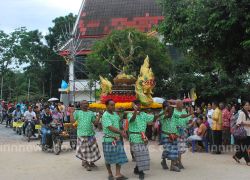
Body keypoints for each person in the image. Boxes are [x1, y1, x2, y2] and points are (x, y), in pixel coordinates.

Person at [127, 100, 159, 180]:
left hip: (143, 137)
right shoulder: (129, 114)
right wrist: (135, 111)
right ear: (133, 106)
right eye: (137, 105)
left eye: (139, 105)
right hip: (134, 136)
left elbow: (153, 119)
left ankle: (137, 169)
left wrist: (157, 114)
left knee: (144, 155)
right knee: (138, 154)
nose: (139, 106)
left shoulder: (143, 114)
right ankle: (141, 172)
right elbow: (132, 120)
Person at [102, 99, 128, 180]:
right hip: (108, 140)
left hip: (117, 140)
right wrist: (121, 132)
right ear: (107, 106)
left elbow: (118, 120)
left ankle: (118, 174)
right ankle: (110, 173)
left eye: (114, 105)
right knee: (108, 158)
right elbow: (110, 127)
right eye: (111, 105)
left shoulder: (115, 114)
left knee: (119, 157)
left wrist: (122, 113)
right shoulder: (105, 115)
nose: (113, 106)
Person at [74, 100, 102, 171]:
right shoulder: (77, 112)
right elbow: (72, 121)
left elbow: (95, 123)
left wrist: (99, 116)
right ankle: (85, 163)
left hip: (91, 134)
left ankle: (91, 162)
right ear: (80, 105)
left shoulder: (91, 113)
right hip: (81, 134)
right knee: (84, 150)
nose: (86, 104)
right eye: (84, 103)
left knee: (92, 148)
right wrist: (71, 113)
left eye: (87, 103)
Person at [160, 101, 180, 172]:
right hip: (166, 135)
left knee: (174, 150)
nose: (170, 107)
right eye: (168, 106)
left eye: (170, 106)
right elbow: (168, 116)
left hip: (174, 134)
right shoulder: (161, 113)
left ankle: (172, 166)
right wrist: (171, 109)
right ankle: (163, 160)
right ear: (164, 107)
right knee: (167, 150)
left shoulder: (173, 112)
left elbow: (175, 116)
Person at [173, 100, 193, 169]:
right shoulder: (174, 111)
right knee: (178, 147)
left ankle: (177, 161)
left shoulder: (184, 111)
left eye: (182, 104)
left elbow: (187, 121)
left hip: (183, 132)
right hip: (176, 132)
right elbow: (182, 116)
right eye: (181, 104)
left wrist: (190, 121)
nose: (182, 105)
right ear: (177, 105)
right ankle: (178, 162)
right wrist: (189, 114)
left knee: (182, 148)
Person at [233, 101, 250, 166]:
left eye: (248, 105)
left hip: (249, 133)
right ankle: (248, 161)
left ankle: (237, 156)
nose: (247, 106)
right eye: (246, 105)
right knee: (245, 148)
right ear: (243, 106)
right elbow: (238, 122)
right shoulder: (241, 113)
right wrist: (247, 123)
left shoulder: (248, 113)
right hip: (243, 133)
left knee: (246, 147)